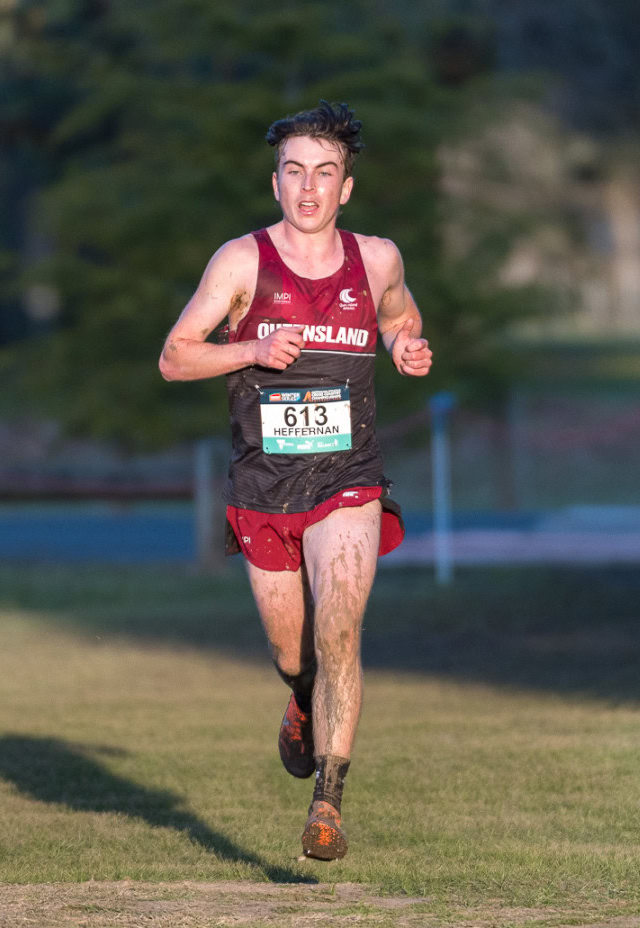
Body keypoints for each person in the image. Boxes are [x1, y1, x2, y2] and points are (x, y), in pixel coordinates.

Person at [158, 102, 432, 860]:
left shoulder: (376, 259)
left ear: (346, 188)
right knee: (296, 653)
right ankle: (299, 699)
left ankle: (328, 804)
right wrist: (250, 347)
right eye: (294, 172)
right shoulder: (241, 262)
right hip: (264, 490)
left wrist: (406, 346)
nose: (308, 189)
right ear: (275, 181)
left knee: (340, 631)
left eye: (325, 174)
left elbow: (400, 318)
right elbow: (176, 356)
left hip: (349, 479)